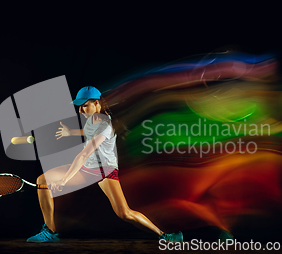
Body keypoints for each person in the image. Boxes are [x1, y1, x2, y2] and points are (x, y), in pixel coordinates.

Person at [27, 86, 183, 243]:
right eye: (79, 107)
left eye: (84, 106)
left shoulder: (105, 125)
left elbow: (84, 154)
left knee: (124, 213)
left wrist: (64, 180)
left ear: (96, 103)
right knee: (43, 180)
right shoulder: (92, 119)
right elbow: (88, 131)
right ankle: (50, 231)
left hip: (104, 171)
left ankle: (164, 235)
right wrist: (71, 132)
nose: (80, 111)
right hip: (88, 167)